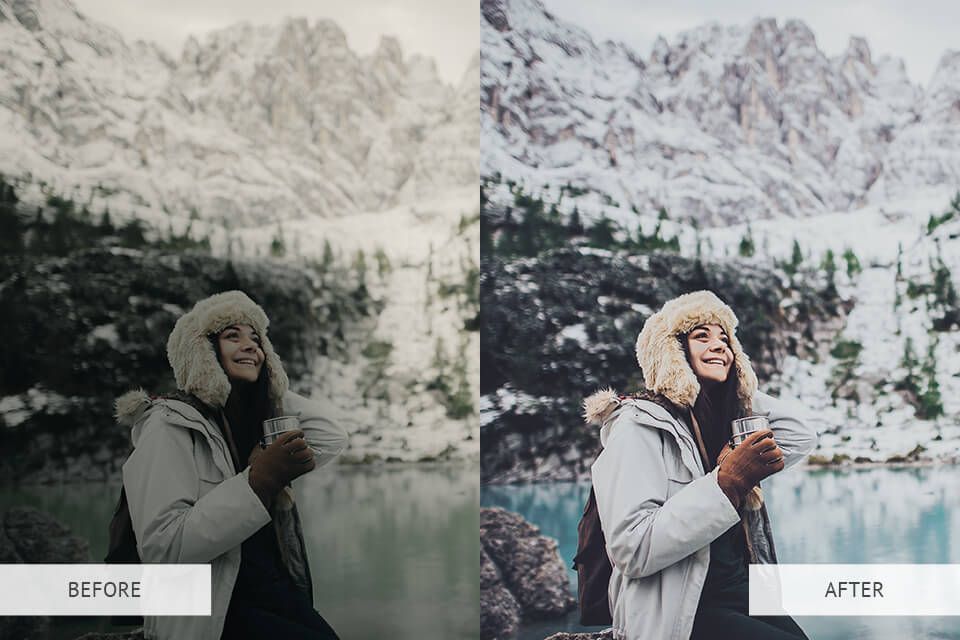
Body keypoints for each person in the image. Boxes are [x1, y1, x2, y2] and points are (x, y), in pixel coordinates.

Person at [584, 290, 816, 640]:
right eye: (701, 336)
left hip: (739, 590)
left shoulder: (725, 422)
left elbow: (800, 434)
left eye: (726, 339)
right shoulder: (638, 426)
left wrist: (741, 385)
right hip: (683, 608)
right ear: (671, 351)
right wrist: (726, 483)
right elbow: (631, 548)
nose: (721, 345)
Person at [115, 290, 348, 640]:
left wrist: (272, 384)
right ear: (201, 351)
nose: (252, 345)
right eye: (232, 336)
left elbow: (331, 435)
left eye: (257, 339)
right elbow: (163, 546)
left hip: (269, 586)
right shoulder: (168, 425)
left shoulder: (254, 420)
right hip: (217, 609)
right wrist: (260, 480)